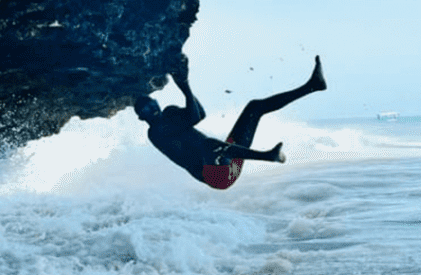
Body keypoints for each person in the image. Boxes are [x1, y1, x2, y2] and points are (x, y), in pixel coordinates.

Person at [134, 56, 327, 189]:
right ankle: (268, 156)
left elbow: (199, 114)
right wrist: (184, 84)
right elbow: (193, 117)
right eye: (144, 110)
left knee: (254, 108)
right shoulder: (155, 133)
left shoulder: (170, 113)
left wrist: (185, 84)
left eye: (150, 103)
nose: (150, 108)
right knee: (208, 145)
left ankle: (312, 86)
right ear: (142, 118)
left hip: (228, 160)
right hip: (216, 176)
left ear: (156, 101)